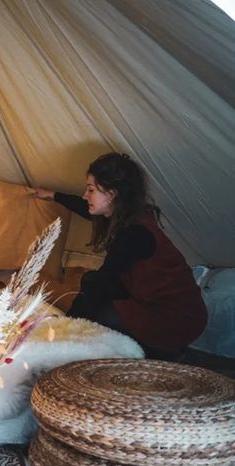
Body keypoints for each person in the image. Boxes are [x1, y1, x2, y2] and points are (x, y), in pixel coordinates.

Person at [32, 152, 207, 360]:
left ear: (112, 194)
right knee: (90, 283)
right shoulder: (126, 216)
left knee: (100, 311)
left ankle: (157, 354)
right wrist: (53, 195)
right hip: (167, 306)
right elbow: (86, 209)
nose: (85, 195)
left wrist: (67, 325)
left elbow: (104, 282)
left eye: (91, 189)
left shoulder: (134, 234)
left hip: (176, 318)